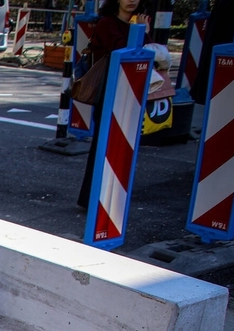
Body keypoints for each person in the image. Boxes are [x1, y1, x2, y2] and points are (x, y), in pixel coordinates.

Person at [77, 0, 151, 209]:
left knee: (122, 145)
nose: (132, 1)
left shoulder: (139, 23)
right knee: (104, 143)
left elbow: (149, 54)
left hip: (131, 93)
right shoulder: (107, 23)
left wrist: (143, 31)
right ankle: (92, 198)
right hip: (109, 91)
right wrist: (142, 33)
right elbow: (124, 50)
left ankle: (113, 197)